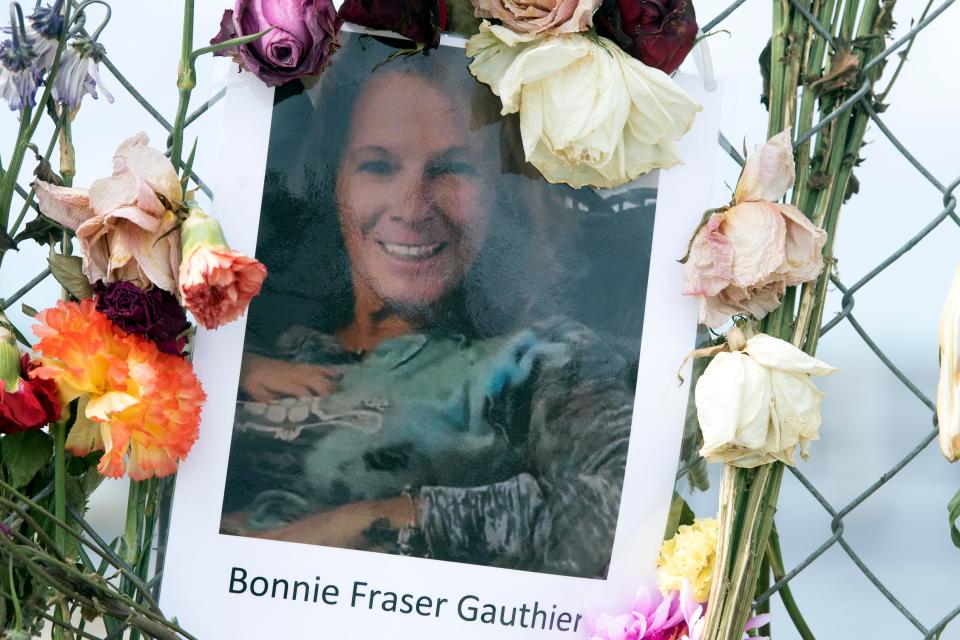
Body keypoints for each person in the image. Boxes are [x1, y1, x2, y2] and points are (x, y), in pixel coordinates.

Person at [221, 35, 645, 579]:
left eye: (454, 170)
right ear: (336, 182)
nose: (412, 207)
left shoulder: (537, 363)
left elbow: (621, 515)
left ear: (504, 191)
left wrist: (379, 521)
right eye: (377, 166)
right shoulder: (255, 337)